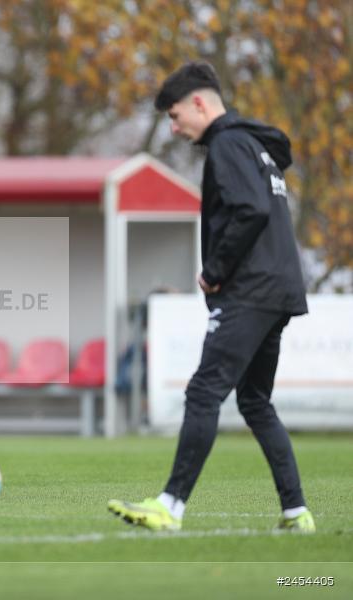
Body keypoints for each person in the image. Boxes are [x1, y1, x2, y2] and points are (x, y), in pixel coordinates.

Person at [108, 62, 314, 533]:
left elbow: (251, 209)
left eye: (176, 116)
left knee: (203, 393)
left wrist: (215, 270)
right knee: (256, 401)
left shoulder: (227, 143)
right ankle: (297, 511)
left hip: (252, 289)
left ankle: (170, 506)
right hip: (279, 287)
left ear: (200, 103)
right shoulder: (257, 145)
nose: (175, 128)